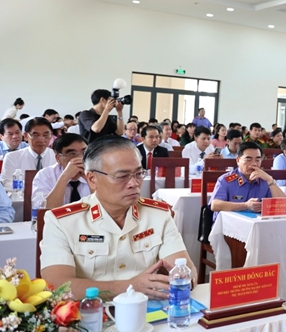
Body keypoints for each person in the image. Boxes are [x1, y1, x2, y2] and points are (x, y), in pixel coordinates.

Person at [40, 137, 195, 299]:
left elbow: (185, 270)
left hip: (147, 308)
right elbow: (58, 285)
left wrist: (183, 278)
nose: (134, 183)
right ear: (92, 179)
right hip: (90, 310)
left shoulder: (159, 215)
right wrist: (130, 287)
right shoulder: (63, 221)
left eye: (138, 174)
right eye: (122, 176)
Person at [209, 142, 285, 215]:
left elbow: (283, 205)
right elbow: (215, 205)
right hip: (230, 222)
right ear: (238, 160)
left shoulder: (265, 180)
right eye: (248, 160)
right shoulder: (226, 180)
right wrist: (246, 205)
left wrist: (270, 180)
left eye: (257, 160)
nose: (254, 164)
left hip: (256, 222)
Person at [32, 134, 91, 210]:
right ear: (58, 158)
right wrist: (65, 177)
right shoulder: (45, 175)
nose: (80, 158)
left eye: (84, 152)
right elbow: (44, 212)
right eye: (72, 153)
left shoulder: (97, 171)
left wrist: (89, 180)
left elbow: (103, 207)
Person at [0, 118, 57, 188]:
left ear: (51, 135)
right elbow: (6, 184)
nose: (41, 139)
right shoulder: (12, 157)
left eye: (46, 135)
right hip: (22, 195)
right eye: (36, 135)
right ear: (26, 136)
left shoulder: (57, 156)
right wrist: (32, 184)